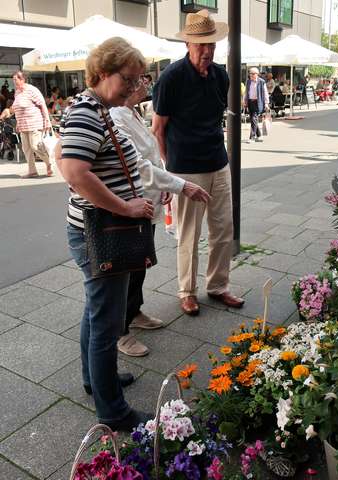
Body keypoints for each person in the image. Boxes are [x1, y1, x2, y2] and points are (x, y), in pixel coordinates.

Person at [57, 37, 155, 431]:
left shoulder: (99, 109)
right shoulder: (86, 112)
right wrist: (127, 206)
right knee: (106, 323)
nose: (134, 89)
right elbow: (75, 174)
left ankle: (95, 380)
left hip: (100, 230)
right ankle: (113, 411)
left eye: (137, 81)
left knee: (96, 312)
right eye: (128, 80)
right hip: (102, 232)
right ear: (102, 73)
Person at [152, 9, 245, 316]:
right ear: (188, 44)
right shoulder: (171, 77)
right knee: (189, 233)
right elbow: (158, 128)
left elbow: (218, 116)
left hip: (218, 162)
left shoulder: (222, 75)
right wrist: (169, 169)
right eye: (200, 45)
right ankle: (187, 291)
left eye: (211, 45)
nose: (207, 51)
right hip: (185, 167)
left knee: (223, 229)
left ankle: (218, 285)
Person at [110, 82, 209, 356]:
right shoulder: (116, 116)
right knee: (127, 268)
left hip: (147, 198)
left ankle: (134, 312)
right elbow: (137, 164)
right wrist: (177, 184)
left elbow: (152, 152)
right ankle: (120, 330)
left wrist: (163, 186)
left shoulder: (132, 112)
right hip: (131, 202)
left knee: (140, 263)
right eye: (137, 78)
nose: (144, 84)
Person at [12, 71, 52, 178]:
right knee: (26, 149)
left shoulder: (32, 90)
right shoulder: (17, 92)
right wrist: (17, 123)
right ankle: (32, 171)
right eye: (13, 80)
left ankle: (48, 163)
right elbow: (17, 108)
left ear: (22, 79)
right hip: (22, 125)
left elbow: (42, 105)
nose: (14, 82)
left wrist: (47, 121)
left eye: (15, 79)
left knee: (35, 146)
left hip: (34, 123)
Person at [244, 67, 269, 142]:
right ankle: (259, 135)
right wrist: (244, 101)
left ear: (257, 74)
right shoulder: (248, 81)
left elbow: (265, 93)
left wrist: (266, 103)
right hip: (250, 102)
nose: (251, 75)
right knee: (253, 119)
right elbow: (246, 92)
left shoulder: (261, 82)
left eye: (253, 74)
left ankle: (252, 137)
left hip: (258, 102)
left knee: (254, 118)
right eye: (250, 73)